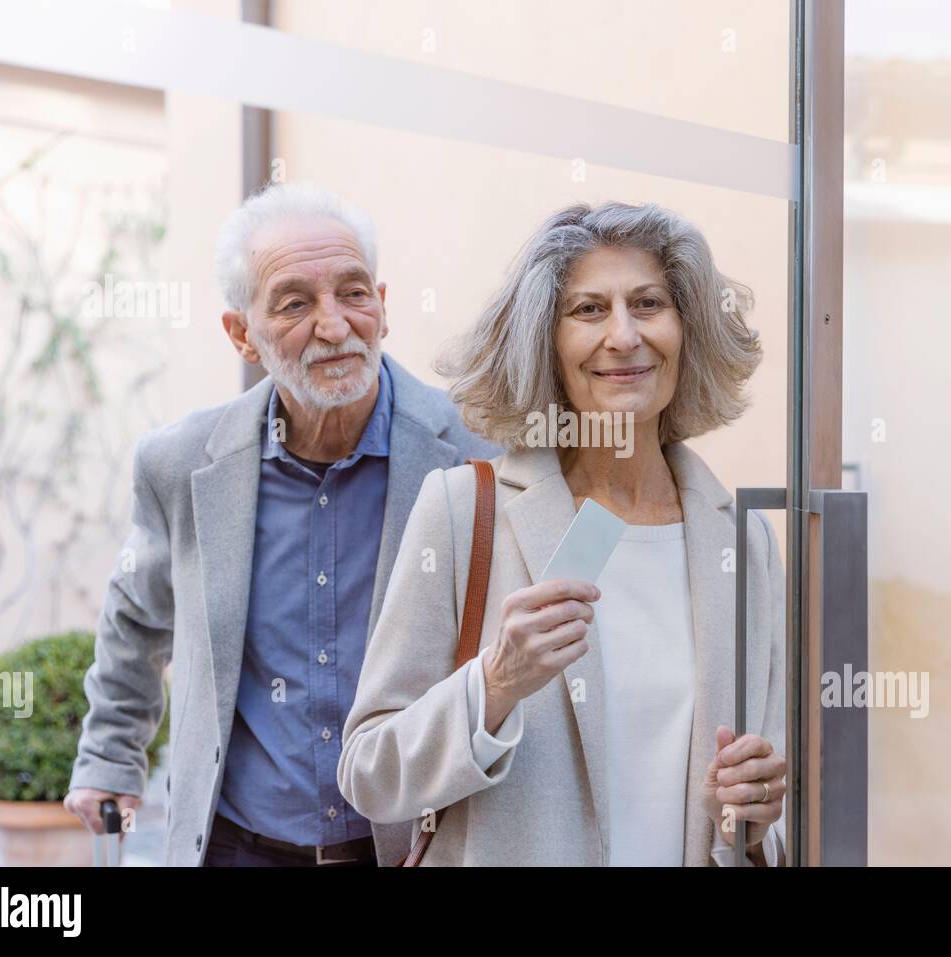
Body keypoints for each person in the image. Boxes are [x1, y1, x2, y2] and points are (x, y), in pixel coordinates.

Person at [337, 201, 787, 866]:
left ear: (687, 330)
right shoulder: (463, 510)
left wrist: (754, 818)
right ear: (544, 342)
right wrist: (494, 683)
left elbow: (763, 816)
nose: (625, 335)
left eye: (649, 303)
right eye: (589, 310)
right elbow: (369, 772)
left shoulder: (741, 541)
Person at [64, 183, 497, 866]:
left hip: (411, 844)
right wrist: (108, 757)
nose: (334, 326)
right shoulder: (180, 465)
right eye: (295, 303)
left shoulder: (480, 456)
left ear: (382, 305)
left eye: (354, 293)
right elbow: (137, 619)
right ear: (242, 334)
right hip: (238, 847)